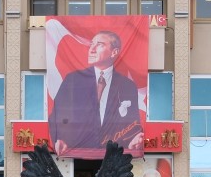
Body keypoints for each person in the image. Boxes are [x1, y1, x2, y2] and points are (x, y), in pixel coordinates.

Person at [48, 28, 143, 156]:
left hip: (112, 154)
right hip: (77, 152)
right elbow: (56, 115)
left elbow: (132, 123)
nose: (91, 49)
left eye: (99, 44)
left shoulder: (127, 86)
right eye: (91, 44)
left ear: (114, 52)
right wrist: (59, 139)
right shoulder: (73, 80)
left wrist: (132, 141)